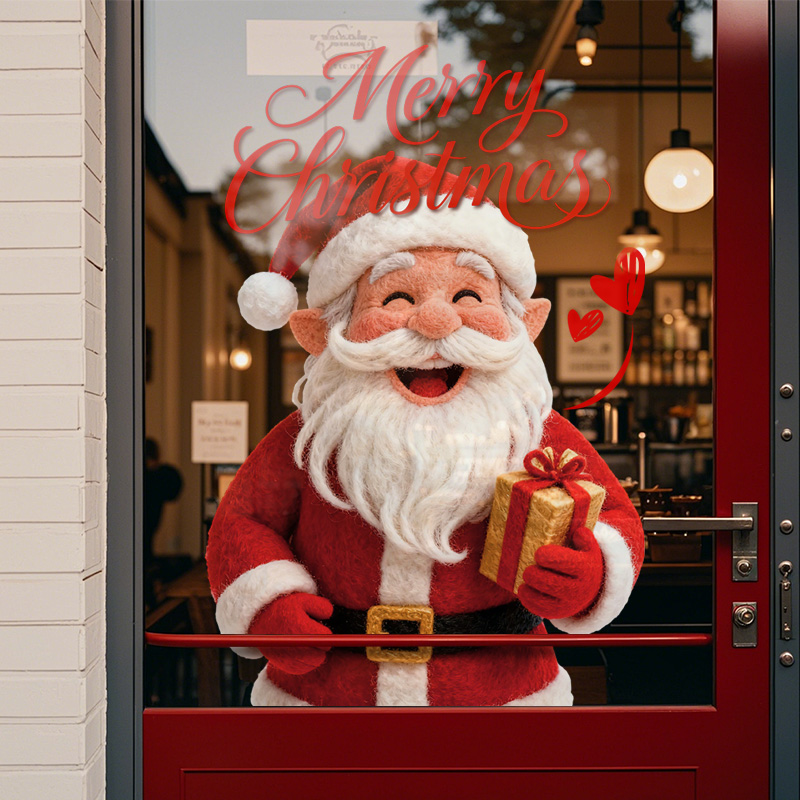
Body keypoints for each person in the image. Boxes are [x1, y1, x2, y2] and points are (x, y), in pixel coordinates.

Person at [205, 154, 644, 706]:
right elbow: (243, 521)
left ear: (523, 323)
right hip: (333, 700)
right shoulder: (311, 437)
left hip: (500, 698)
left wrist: (590, 572)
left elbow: (616, 518)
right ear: (323, 332)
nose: (436, 323)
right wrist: (269, 602)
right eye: (396, 298)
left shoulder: (533, 431)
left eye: (468, 296)